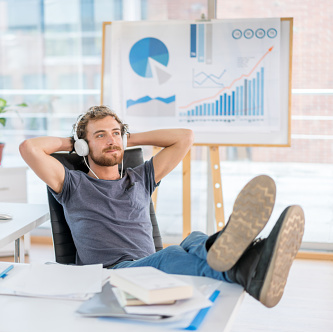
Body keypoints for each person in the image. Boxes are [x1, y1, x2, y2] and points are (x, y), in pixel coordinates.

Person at [19, 105, 305, 308]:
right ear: (84, 145)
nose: (111, 140)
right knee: (170, 255)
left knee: (193, 238)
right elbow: (29, 148)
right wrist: (74, 142)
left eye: (116, 133)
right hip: (109, 276)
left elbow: (185, 137)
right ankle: (249, 262)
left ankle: (247, 261)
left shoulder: (140, 177)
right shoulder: (72, 184)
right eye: (101, 135)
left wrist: (130, 138)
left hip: (146, 267)